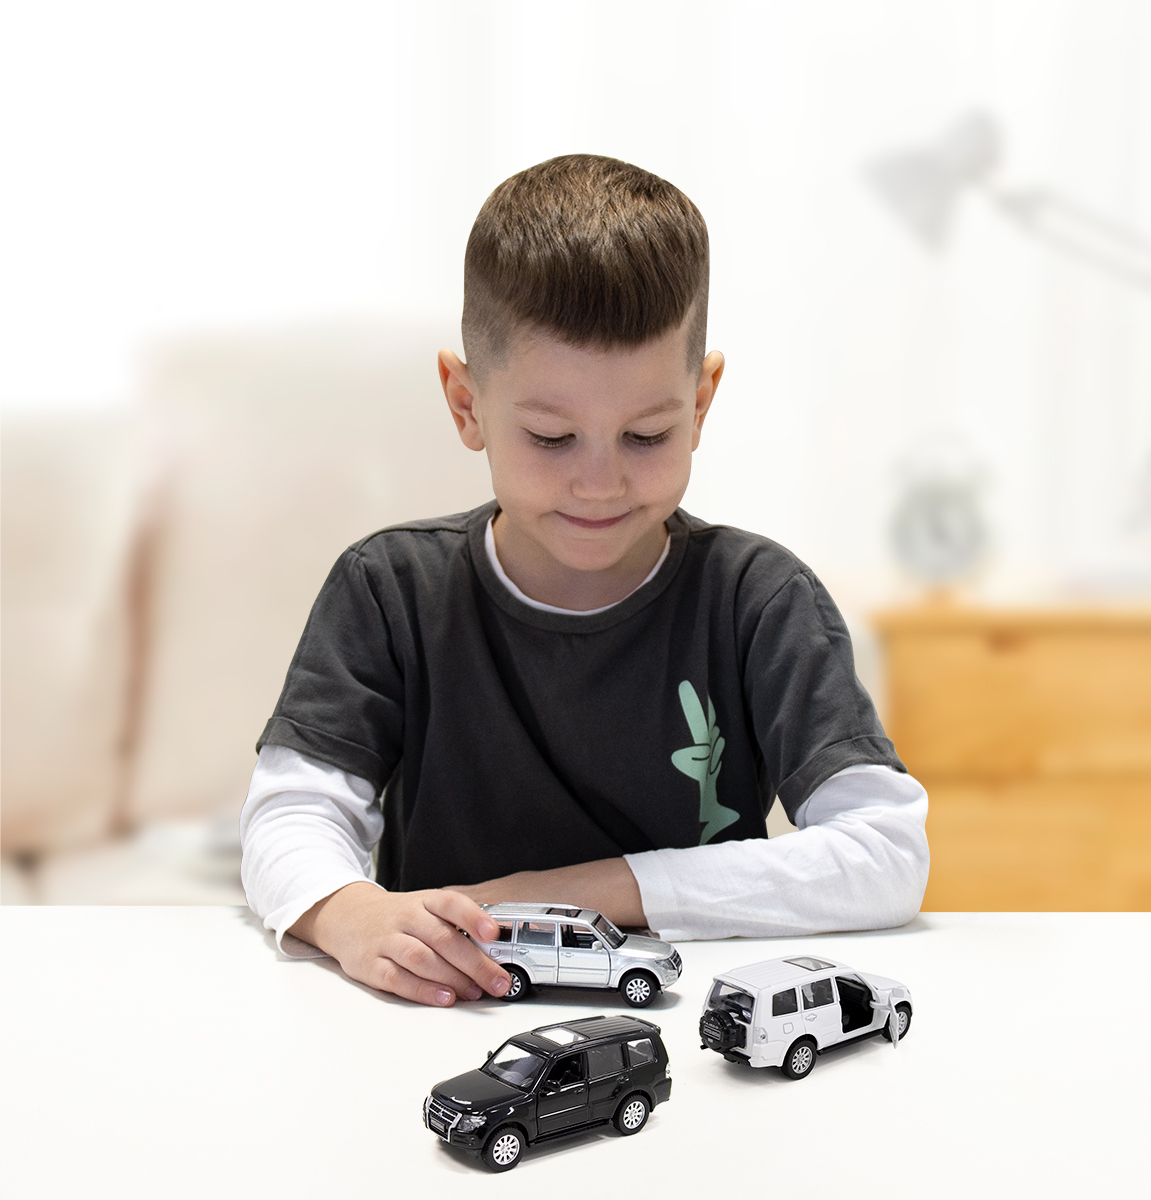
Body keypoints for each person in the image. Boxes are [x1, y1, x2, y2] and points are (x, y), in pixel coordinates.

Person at [241, 154, 929, 1008]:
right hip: (437, 1020)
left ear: (701, 404)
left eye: (646, 436)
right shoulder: (388, 591)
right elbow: (291, 814)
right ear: (465, 404)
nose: (600, 485)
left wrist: (567, 894)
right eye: (551, 438)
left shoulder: (759, 600)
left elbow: (887, 853)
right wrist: (348, 913)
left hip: (685, 1016)